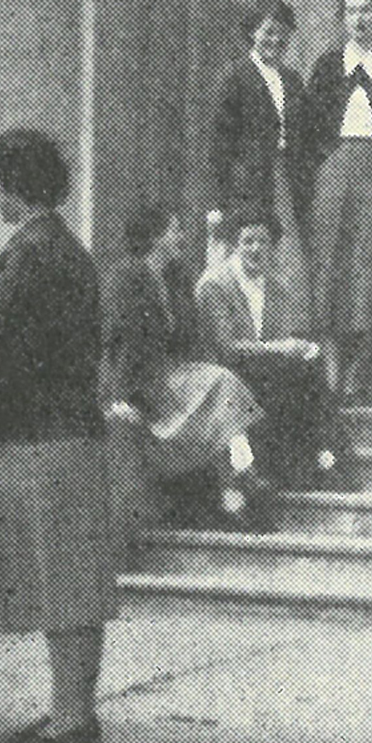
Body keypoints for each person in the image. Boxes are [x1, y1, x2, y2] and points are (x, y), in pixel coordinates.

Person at [0, 129, 114, 743]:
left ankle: (73, 720)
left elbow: (14, 358)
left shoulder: (34, 255)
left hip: (43, 439)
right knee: (66, 580)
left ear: (18, 184)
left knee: (65, 581)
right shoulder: (58, 248)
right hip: (61, 434)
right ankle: (67, 711)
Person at [103, 204, 266, 530]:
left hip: (176, 372)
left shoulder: (176, 276)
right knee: (222, 383)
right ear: (155, 237)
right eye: (174, 230)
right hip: (142, 379)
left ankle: (236, 485)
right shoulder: (125, 278)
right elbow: (116, 342)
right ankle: (242, 475)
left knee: (222, 384)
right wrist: (120, 396)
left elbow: (189, 337)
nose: (180, 236)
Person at [304, 0, 372, 398]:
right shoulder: (329, 65)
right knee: (329, 259)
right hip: (335, 168)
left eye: (367, 10)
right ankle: (331, 362)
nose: (359, 19)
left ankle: (361, 363)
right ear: (342, 18)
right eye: (351, 12)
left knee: (370, 259)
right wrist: (324, 164)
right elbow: (309, 125)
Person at [195, 210, 340, 489]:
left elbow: (278, 340)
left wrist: (296, 349)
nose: (256, 249)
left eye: (263, 242)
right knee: (299, 375)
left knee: (310, 365)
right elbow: (226, 348)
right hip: (227, 376)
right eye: (248, 241)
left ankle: (322, 457)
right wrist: (281, 348)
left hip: (264, 372)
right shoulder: (216, 284)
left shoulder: (277, 287)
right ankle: (322, 459)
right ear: (235, 245)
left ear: (272, 248)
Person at [210, 0, 313, 319]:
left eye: (283, 33)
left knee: (286, 264)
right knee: (245, 267)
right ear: (252, 32)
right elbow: (219, 146)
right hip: (248, 186)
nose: (276, 39)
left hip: (284, 182)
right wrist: (218, 203)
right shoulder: (234, 77)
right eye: (268, 31)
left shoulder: (293, 80)